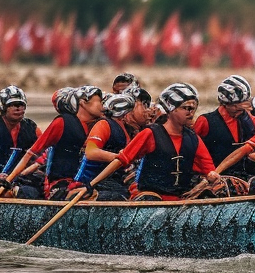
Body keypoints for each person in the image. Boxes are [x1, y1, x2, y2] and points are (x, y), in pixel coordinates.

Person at [91, 83, 220, 201]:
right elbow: (121, 160)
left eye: (193, 108)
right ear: (171, 109)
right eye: (186, 108)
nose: (191, 113)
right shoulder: (150, 133)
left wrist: (212, 177)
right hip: (150, 196)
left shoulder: (193, 139)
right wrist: (91, 185)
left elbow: (209, 170)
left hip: (180, 198)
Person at [13, 85, 103, 200]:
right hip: (59, 184)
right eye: (99, 101)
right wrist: (11, 179)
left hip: (80, 180)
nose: (102, 105)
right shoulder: (62, 123)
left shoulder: (95, 124)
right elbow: (34, 153)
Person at [74, 91, 141, 201]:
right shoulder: (104, 124)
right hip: (90, 181)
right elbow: (90, 152)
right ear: (124, 114)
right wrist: (119, 158)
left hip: (112, 180)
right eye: (132, 112)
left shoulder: (128, 130)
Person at [193, 75, 255, 179]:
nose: (240, 110)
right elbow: (191, 151)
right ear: (225, 103)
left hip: (245, 177)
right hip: (215, 178)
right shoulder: (205, 121)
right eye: (235, 106)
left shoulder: (249, 119)